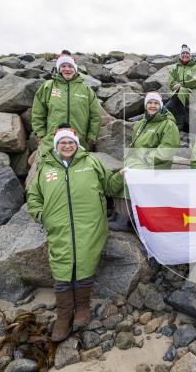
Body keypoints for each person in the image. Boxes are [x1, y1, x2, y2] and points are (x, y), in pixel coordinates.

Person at [26, 126, 123, 342]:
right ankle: (63, 315)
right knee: (61, 268)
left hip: (89, 227)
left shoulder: (91, 162)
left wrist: (121, 177)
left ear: (77, 145)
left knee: (85, 264)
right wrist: (42, 216)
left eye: (71, 142)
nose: (67, 146)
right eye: (63, 143)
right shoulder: (45, 169)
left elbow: (109, 186)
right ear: (56, 146)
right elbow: (33, 197)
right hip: (58, 227)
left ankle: (82, 309)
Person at [111, 92, 180, 231]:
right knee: (117, 173)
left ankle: (125, 219)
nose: (152, 106)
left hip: (157, 165)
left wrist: (142, 158)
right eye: (150, 103)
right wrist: (131, 159)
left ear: (161, 106)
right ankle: (117, 213)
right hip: (140, 161)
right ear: (145, 105)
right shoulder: (141, 123)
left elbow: (167, 150)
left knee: (130, 173)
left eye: (156, 103)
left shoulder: (168, 124)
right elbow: (134, 146)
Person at [31, 50, 102, 156]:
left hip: (79, 141)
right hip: (52, 141)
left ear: (75, 69)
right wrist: (42, 135)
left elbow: (95, 115)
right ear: (59, 69)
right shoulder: (48, 87)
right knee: (52, 169)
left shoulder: (86, 90)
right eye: (63, 66)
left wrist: (91, 136)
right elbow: (38, 112)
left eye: (70, 66)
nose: (67, 69)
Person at [165, 44, 196, 133]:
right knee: (180, 91)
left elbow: (195, 81)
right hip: (178, 92)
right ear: (180, 55)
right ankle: (180, 124)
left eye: (187, 53)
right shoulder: (174, 68)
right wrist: (175, 85)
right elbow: (171, 82)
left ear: (190, 55)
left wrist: (180, 85)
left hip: (191, 94)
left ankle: (166, 109)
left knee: (180, 91)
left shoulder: (195, 68)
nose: (185, 55)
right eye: (183, 53)